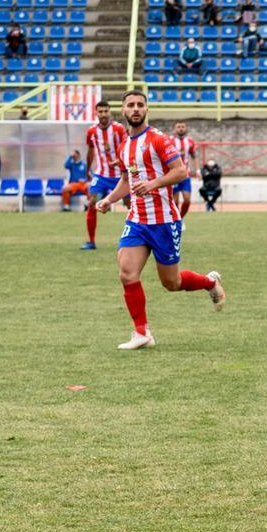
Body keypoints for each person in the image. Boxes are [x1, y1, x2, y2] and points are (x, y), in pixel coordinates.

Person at [94, 90, 225, 350]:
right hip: (137, 220)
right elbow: (126, 181)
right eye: (130, 105)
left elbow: (180, 171)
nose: (135, 109)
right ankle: (142, 333)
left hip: (164, 221)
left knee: (171, 283)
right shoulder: (124, 146)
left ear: (146, 110)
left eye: (140, 105)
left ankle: (210, 282)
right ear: (123, 110)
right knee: (127, 274)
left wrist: (153, 184)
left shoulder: (159, 140)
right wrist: (109, 200)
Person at [81, 101, 128, 249]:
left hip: (120, 175)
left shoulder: (118, 129)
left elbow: (127, 146)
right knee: (91, 203)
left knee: (131, 205)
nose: (103, 114)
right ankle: (91, 241)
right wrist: (88, 170)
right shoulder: (92, 131)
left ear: (110, 112)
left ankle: (138, 239)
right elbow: (90, 151)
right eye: (100, 111)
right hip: (101, 174)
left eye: (105, 111)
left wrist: (120, 161)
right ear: (96, 113)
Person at [171, 122, 198, 219]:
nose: (181, 129)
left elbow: (194, 157)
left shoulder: (190, 141)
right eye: (178, 127)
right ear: (175, 129)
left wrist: (198, 170)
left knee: (187, 200)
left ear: (185, 128)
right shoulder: (170, 141)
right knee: (175, 200)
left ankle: (180, 218)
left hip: (186, 175)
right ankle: (176, 219)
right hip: (174, 175)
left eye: (182, 127)